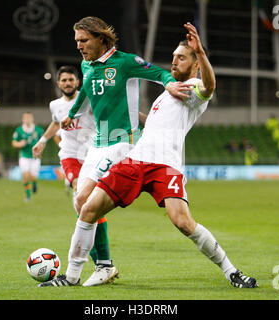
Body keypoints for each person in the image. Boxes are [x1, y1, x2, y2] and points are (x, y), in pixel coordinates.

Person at [41, 22, 258, 288]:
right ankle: (72, 278)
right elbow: (147, 122)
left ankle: (232, 272)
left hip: (165, 166)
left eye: (182, 57)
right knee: (87, 208)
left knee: (183, 222)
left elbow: (210, 87)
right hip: (135, 161)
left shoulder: (194, 89)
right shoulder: (164, 96)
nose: (174, 62)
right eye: (174, 57)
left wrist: (200, 52)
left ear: (196, 63)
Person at [40, 17, 190, 288]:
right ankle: (104, 266)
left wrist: (168, 84)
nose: (79, 46)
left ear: (100, 38)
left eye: (84, 40)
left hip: (123, 142)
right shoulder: (87, 64)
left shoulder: (124, 62)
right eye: (77, 41)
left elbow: (159, 72)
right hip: (97, 144)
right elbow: (85, 89)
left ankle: (73, 276)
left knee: (86, 200)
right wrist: (72, 114)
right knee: (79, 203)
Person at [32, 65, 119, 286]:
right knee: (85, 202)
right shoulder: (56, 105)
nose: (68, 83)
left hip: (91, 155)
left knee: (88, 208)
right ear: (58, 83)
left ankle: (102, 264)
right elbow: (55, 122)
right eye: (64, 80)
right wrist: (42, 141)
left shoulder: (88, 98)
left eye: (71, 79)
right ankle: (103, 263)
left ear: (78, 82)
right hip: (70, 157)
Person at [12, 112, 44, 202]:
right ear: (23, 119)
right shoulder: (19, 130)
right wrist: (20, 144)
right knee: (25, 176)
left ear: (32, 119)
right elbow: (14, 143)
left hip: (35, 157)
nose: (27, 119)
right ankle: (28, 196)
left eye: (29, 117)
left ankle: (34, 183)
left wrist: (40, 151)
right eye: (25, 118)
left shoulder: (38, 130)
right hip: (24, 156)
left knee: (33, 177)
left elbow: (43, 142)